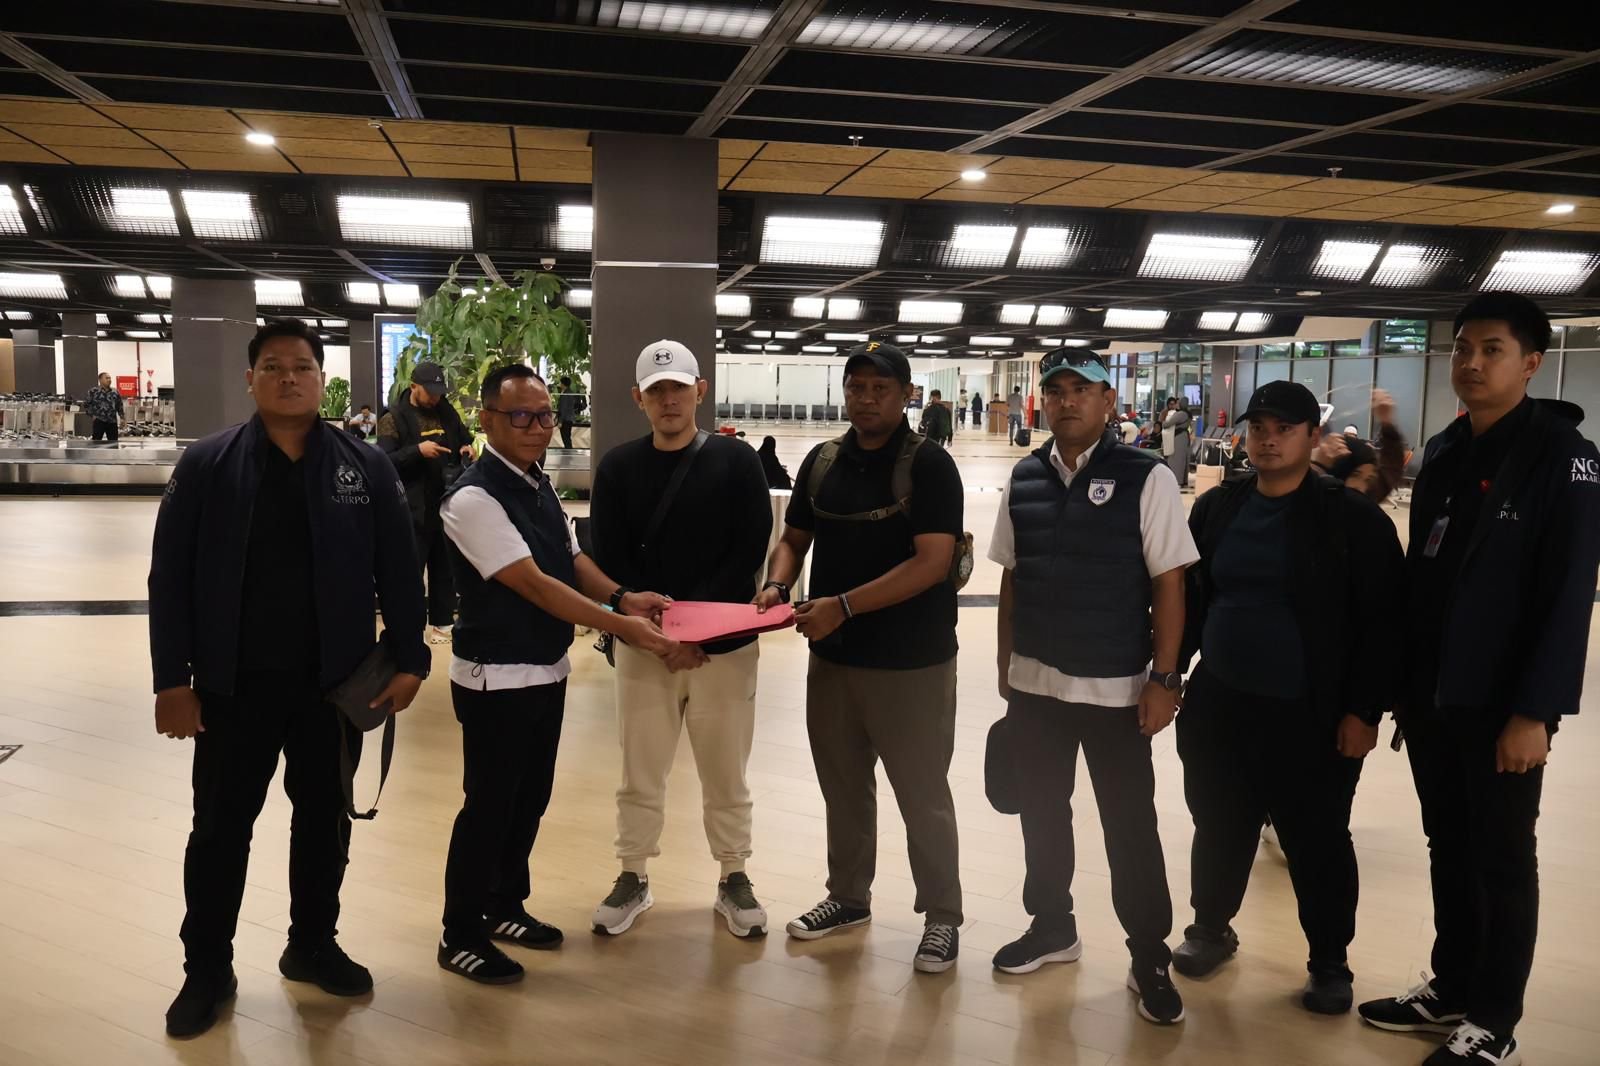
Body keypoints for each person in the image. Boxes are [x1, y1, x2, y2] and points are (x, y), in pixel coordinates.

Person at [148, 319, 429, 1038]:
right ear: (251, 379)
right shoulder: (208, 464)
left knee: (325, 821)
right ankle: (206, 968)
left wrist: (411, 659)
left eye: (301, 366)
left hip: (333, 687)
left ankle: (311, 944)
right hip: (230, 687)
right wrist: (171, 679)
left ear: (320, 378)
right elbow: (169, 577)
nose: (288, 378)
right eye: (272, 367)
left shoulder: (365, 467)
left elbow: (400, 569)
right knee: (220, 829)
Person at [1359, 293, 1600, 1066]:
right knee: (1449, 845)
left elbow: (1569, 594)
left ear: (1530, 363)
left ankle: (1494, 1022)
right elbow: (1424, 576)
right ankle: (1455, 984)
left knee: (1501, 858)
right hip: (1437, 694)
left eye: (1492, 349)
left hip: (1505, 704)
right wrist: (1403, 690)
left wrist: (1536, 712)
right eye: (1463, 347)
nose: (1471, 362)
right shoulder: (1447, 448)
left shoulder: (1563, 458)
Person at [436, 363, 680, 985]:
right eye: (521, 415)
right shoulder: (472, 499)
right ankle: (460, 933)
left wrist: (622, 597)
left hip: (546, 669)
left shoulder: (538, 484)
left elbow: (570, 561)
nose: (538, 426)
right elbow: (535, 585)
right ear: (487, 419)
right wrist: (621, 626)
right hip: (495, 677)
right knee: (489, 807)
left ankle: (503, 905)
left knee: (529, 800)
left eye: (545, 414)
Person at [1172, 380, 1404, 1016]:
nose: (1268, 439)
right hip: (1222, 702)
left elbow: (1383, 623)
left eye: (1284, 428)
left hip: (1312, 711)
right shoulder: (1218, 507)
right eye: (1258, 428)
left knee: (1317, 838)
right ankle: (1210, 928)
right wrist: (1171, 674)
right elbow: (1191, 598)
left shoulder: (1351, 518)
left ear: (1312, 436)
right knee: (1219, 823)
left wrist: (1364, 711)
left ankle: (1329, 961)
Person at [989, 349, 1195, 1026]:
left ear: (1109, 402)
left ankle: (1149, 954)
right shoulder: (1025, 476)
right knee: (1042, 813)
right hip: (1036, 687)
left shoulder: (1146, 476)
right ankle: (1052, 925)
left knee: (1129, 826)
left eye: (1083, 389)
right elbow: (1012, 577)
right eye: (1056, 390)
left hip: (1116, 690)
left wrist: (1165, 678)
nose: (1067, 401)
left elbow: (1170, 583)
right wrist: (1005, 668)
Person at [756, 341, 965, 974]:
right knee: (843, 786)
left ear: (906, 394)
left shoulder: (929, 465)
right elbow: (794, 538)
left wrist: (842, 606)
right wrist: (777, 582)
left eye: (881, 388)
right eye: (856, 387)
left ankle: (942, 915)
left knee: (922, 793)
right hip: (835, 661)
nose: (867, 399)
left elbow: (932, 562)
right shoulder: (823, 461)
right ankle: (848, 896)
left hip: (912, 663)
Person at [589, 340, 775, 939]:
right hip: (644, 647)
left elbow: (748, 550)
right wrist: (658, 633)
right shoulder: (618, 467)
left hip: (725, 648)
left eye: (678, 388)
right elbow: (610, 557)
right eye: (656, 391)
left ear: (700, 391)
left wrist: (695, 630)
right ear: (638, 398)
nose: (668, 400)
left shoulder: (737, 462)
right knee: (639, 770)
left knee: (727, 772)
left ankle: (734, 874)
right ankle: (633, 873)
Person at [378, 362, 475, 644]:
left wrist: (466, 448)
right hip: (411, 506)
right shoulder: (393, 418)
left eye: (439, 392)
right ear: (413, 387)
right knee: (410, 570)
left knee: (444, 565)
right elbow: (384, 461)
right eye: (430, 392)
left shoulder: (446, 411)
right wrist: (417, 451)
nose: (435, 398)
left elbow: (464, 438)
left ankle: (443, 623)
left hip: (445, 500)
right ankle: (408, 628)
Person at [1313, 389, 1408, 504]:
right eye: (1355, 475)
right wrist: (1318, 465)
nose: (1361, 486)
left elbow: (1391, 469)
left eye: (1369, 480)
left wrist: (1387, 423)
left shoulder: (1365, 502)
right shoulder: (1316, 504)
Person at [85, 371, 124, 441]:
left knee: (113, 443)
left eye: (110, 378)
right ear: (100, 380)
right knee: (96, 442)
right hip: (99, 421)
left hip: (112, 421)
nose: (109, 380)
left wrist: (122, 418)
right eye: (107, 378)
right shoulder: (93, 391)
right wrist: (93, 416)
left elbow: (119, 405)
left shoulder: (115, 391)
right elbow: (87, 405)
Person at [1162, 397, 1191, 488]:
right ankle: (1183, 480)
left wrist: (1163, 422)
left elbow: (1167, 424)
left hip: (1178, 438)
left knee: (1176, 459)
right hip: (1185, 437)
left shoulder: (1181, 414)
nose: (1177, 404)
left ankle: (1177, 480)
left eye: (1178, 403)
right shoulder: (1188, 414)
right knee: (1183, 460)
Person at [556, 375, 587, 450]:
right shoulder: (570, 392)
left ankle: (568, 452)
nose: (560, 384)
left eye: (561, 383)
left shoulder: (566, 394)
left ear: (563, 384)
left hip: (565, 419)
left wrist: (560, 421)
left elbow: (563, 408)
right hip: (569, 418)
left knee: (566, 438)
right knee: (567, 437)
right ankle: (569, 451)